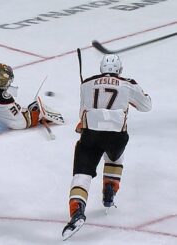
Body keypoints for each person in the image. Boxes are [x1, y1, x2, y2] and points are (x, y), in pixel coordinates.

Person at [62, 54, 152, 240]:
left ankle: (77, 210)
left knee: (82, 174)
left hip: (90, 135)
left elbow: (83, 112)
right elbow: (146, 106)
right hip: (117, 137)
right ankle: (110, 187)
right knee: (115, 156)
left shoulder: (86, 83)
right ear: (119, 69)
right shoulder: (127, 83)